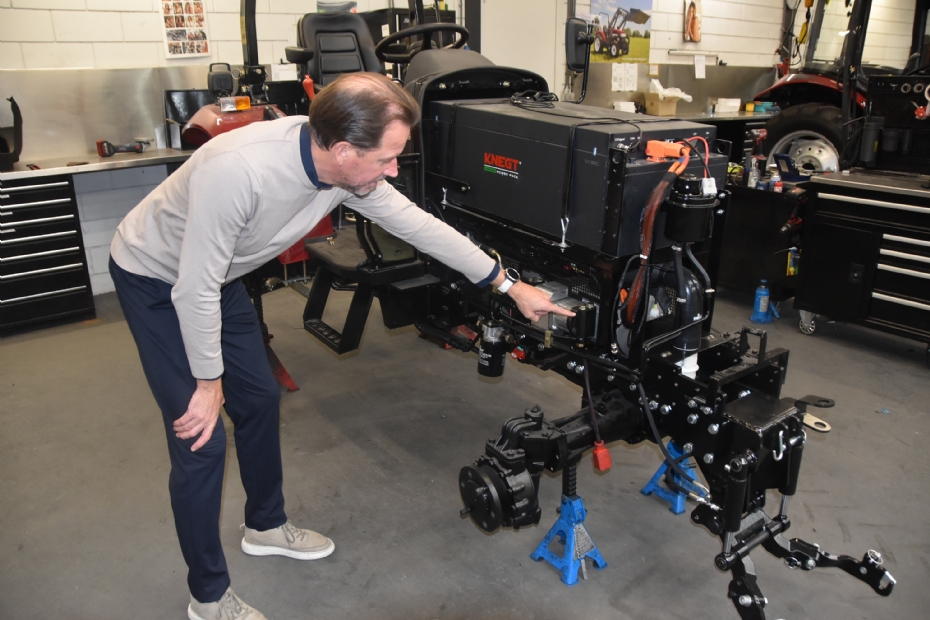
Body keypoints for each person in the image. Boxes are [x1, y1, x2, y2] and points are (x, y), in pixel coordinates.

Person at [109, 73, 571, 620]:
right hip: (157, 278)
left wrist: (509, 286)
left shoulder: (348, 173)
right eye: (388, 158)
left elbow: (423, 227)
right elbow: (192, 288)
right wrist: (209, 384)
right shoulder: (240, 171)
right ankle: (207, 597)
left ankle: (265, 525)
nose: (394, 170)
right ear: (345, 149)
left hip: (220, 277)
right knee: (200, 439)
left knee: (256, 400)